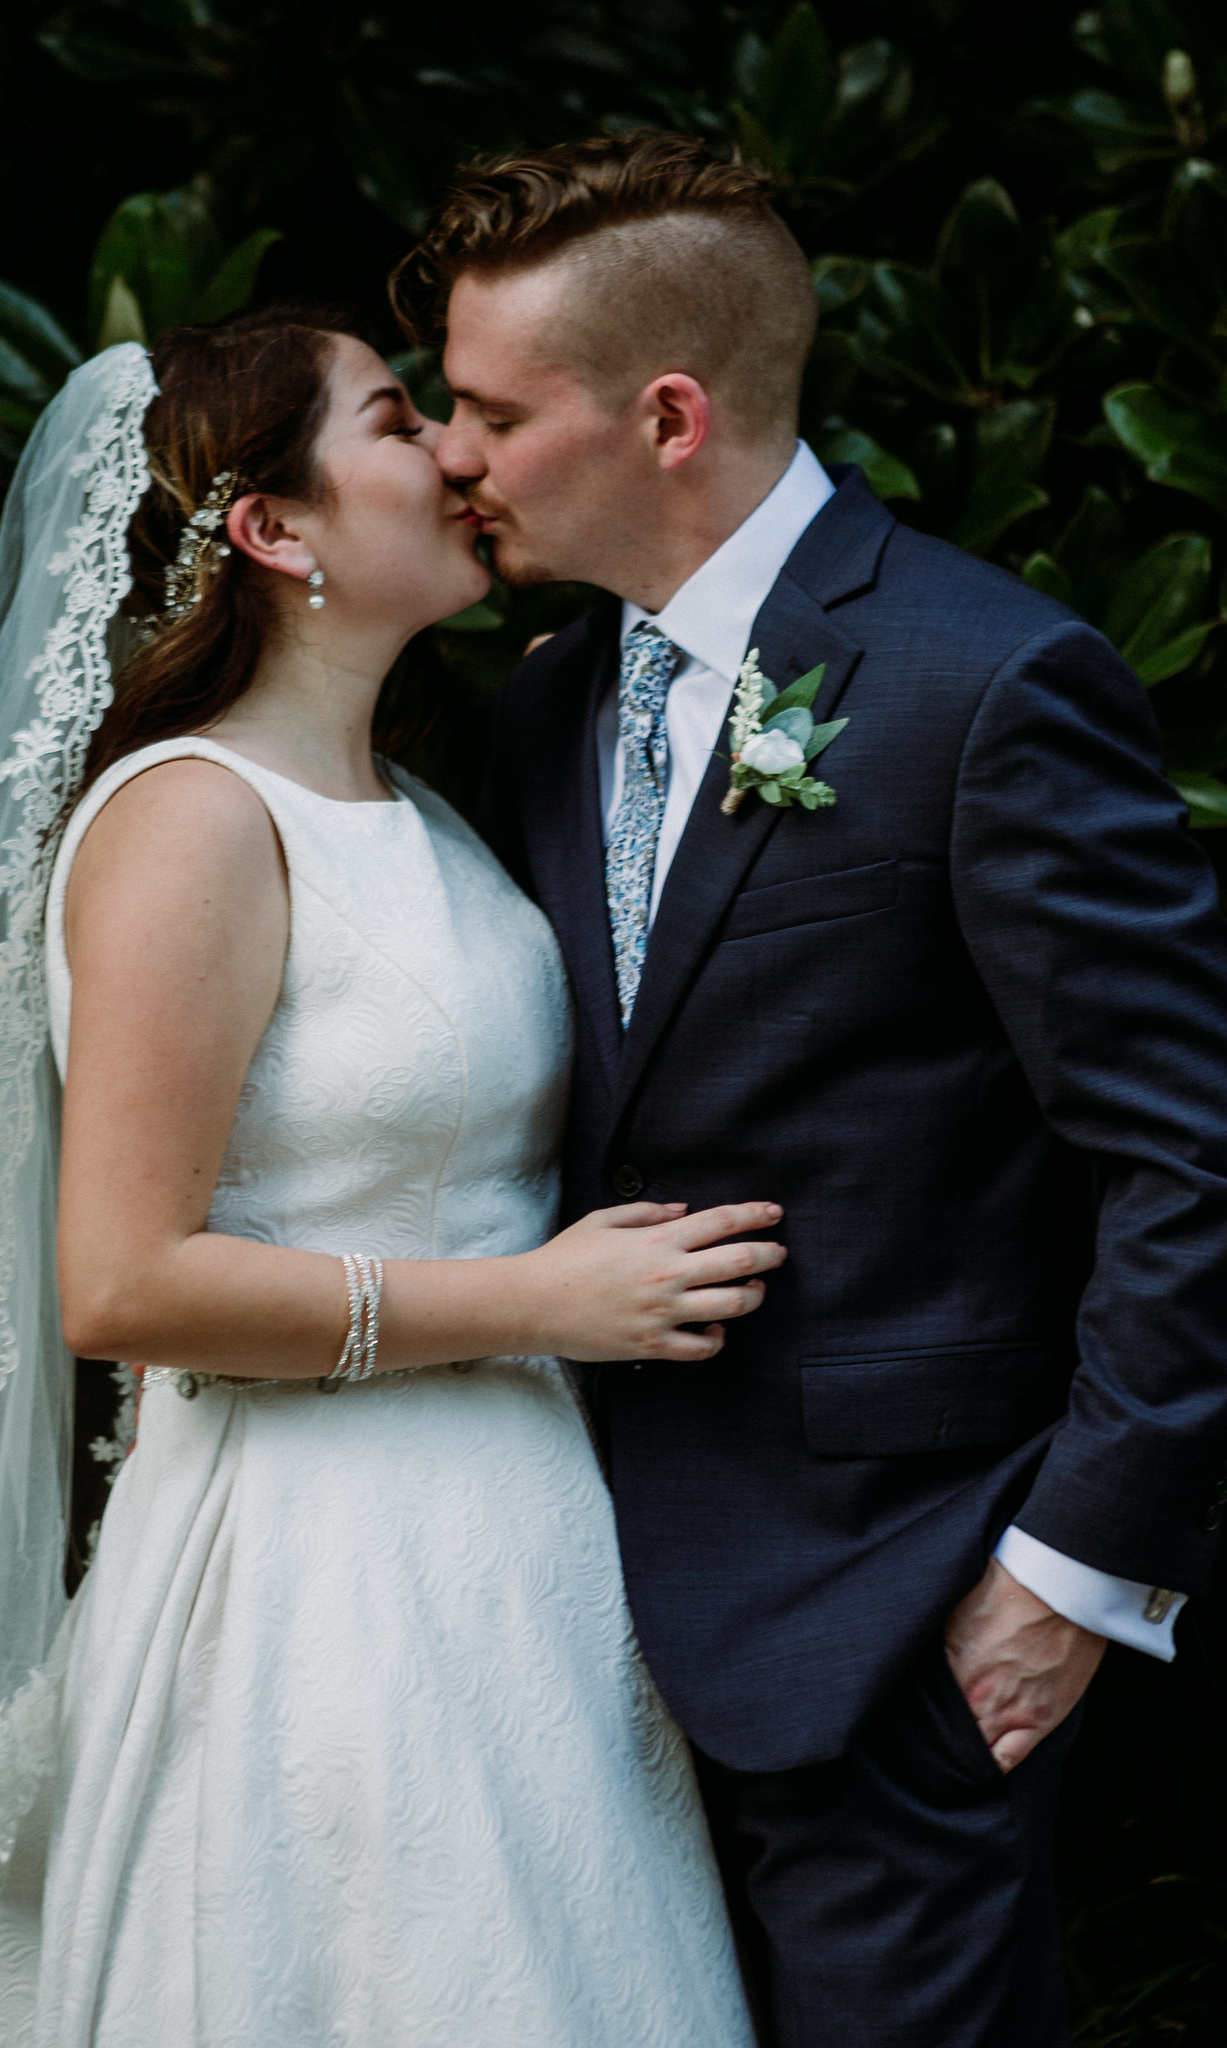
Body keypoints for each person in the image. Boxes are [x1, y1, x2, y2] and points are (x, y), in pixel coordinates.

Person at [395, 131, 1227, 2046]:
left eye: (490, 408)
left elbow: (1185, 1161)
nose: (451, 451)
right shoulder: (540, 700)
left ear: (665, 414)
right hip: (544, 1627)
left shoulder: (989, 683)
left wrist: (1065, 1579)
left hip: (887, 1619)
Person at [0, 311, 773, 2044]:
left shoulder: (420, 807)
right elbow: (119, 1283)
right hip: (317, 1586)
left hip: (520, 1555)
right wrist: (538, 1301)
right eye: (391, 417)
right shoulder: (190, 822)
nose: (450, 447)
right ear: (274, 531)